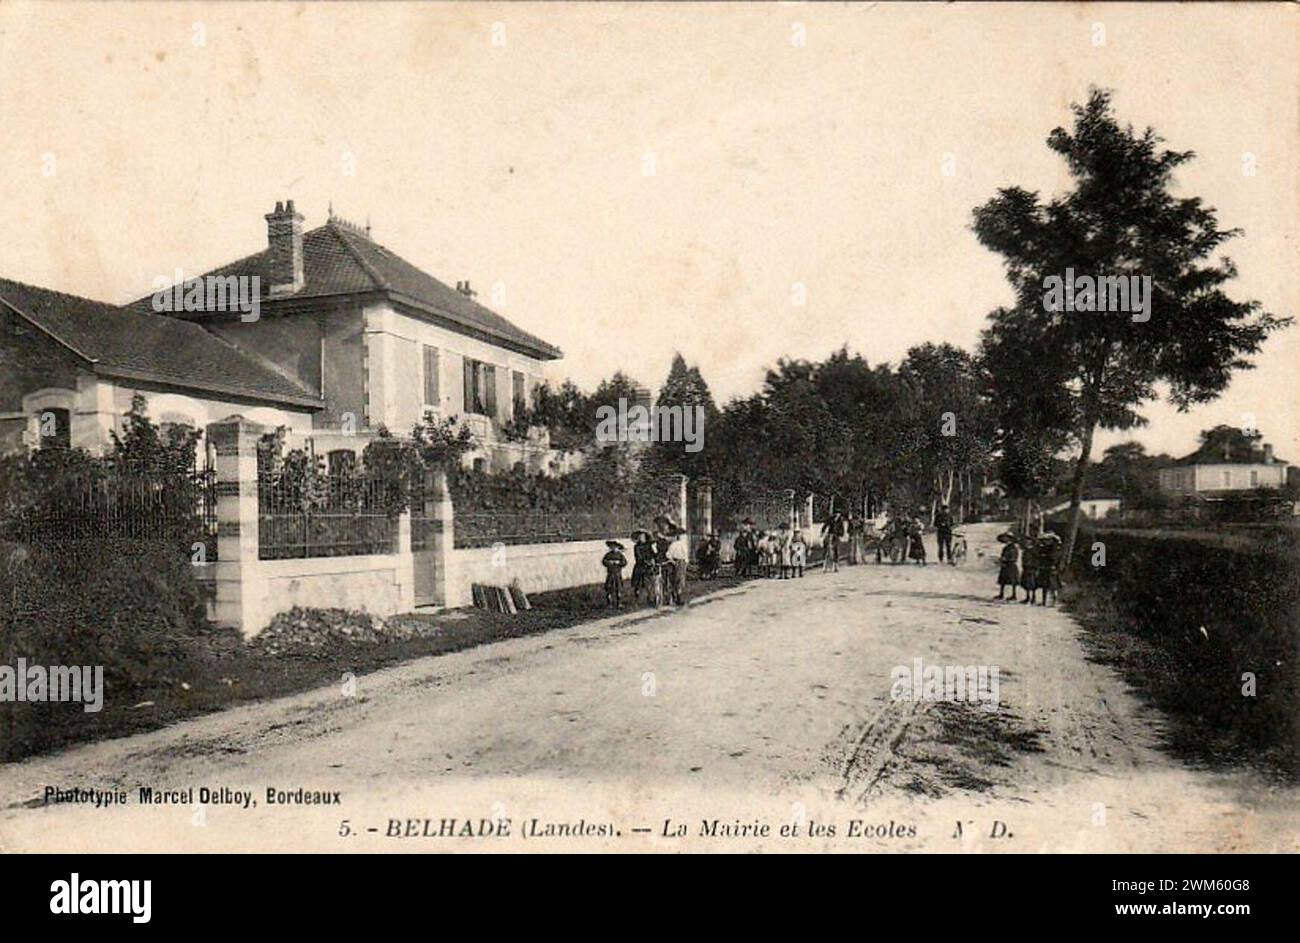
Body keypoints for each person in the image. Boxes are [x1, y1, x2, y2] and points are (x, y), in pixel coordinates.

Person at [666, 523, 690, 605]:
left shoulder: (678, 544)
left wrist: (685, 562)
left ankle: (677, 596)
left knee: (678, 580)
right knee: (677, 579)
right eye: (680, 535)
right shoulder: (676, 544)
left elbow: (668, 554)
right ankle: (677, 597)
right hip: (678, 562)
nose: (681, 537)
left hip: (679, 562)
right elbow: (669, 554)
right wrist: (673, 561)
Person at [1036, 532, 1062, 606]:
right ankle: (1044, 601)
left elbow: (1055, 558)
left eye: (1048, 540)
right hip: (1045, 568)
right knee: (1045, 585)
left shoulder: (1055, 549)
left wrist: (1053, 565)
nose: (1046, 541)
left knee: (1053, 586)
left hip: (1052, 568)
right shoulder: (1045, 548)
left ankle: (1054, 601)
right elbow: (1039, 555)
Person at [601, 540, 627, 608]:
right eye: (612, 547)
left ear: (618, 548)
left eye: (615, 547)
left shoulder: (620, 555)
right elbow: (604, 561)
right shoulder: (608, 555)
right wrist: (610, 562)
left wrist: (618, 563)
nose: (614, 548)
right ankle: (609, 603)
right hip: (610, 574)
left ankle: (619, 603)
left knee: (618, 588)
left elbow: (624, 562)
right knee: (609, 588)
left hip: (617, 574)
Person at [995, 531, 1020, 600]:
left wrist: (1005, 559)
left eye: (1006, 538)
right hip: (1005, 565)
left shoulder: (1013, 547)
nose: (1004, 539)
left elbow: (1013, 556)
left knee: (1012, 581)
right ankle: (1001, 594)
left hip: (1011, 565)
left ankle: (1014, 595)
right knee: (1003, 580)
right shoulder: (1006, 547)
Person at [630, 530, 653, 601]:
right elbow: (638, 556)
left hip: (649, 565)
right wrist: (645, 561)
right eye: (639, 537)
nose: (641, 538)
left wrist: (652, 559)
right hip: (640, 564)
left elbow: (652, 553)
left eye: (642, 536)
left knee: (649, 580)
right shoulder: (636, 546)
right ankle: (637, 592)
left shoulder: (649, 545)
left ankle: (650, 596)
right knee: (638, 579)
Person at [1019, 533, 1040, 604]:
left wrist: (1035, 566)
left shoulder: (1034, 550)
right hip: (1026, 568)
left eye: (1028, 541)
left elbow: (1037, 559)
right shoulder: (1025, 550)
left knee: (1033, 583)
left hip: (1032, 568)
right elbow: (1023, 559)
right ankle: (1027, 597)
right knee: (1026, 583)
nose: (1026, 542)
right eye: (1025, 541)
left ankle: (1034, 597)